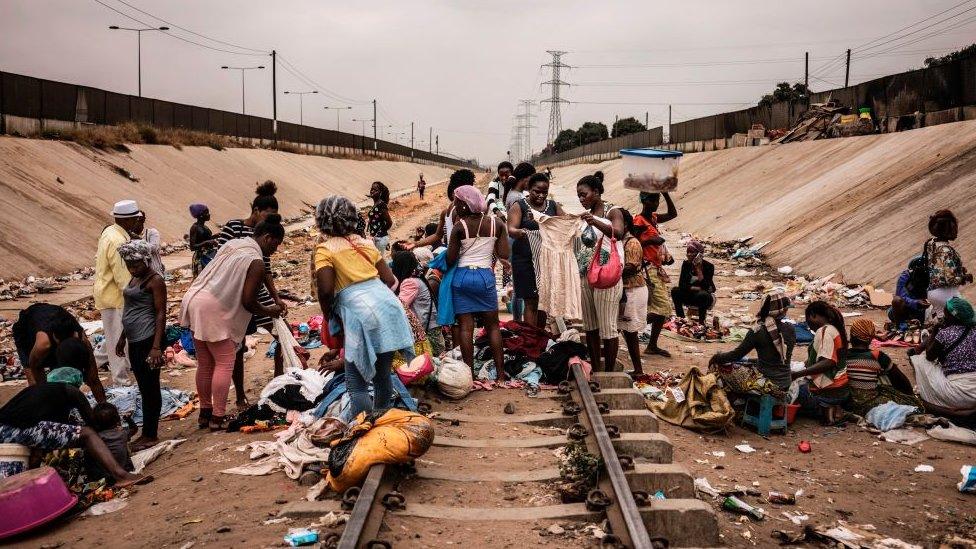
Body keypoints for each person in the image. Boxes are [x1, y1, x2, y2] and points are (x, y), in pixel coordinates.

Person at [313, 196, 413, 425]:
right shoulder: (366, 244)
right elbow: (389, 279)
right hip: (388, 307)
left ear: (322, 221)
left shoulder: (325, 250)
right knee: (382, 375)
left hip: (360, 314)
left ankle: (363, 428)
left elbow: (326, 291)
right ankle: (382, 423)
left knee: (356, 382)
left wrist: (330, 315)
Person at [181, 215, 285, 430]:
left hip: (194, 298)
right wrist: (270, 310)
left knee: (205, 362)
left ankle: (205, 413)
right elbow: (248, 301)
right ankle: (218, 417)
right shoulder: (255, 261)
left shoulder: (234, 243)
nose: (275, 251)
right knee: (224, 361)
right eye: (275, 245)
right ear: (267, 238)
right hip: (213, 306)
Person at [0, 364, 149, 488]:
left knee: (36, 452)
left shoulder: (38, 391)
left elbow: (47, 434)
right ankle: (121, 476)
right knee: (87, 433)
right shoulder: (70, 391)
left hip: (6, 429)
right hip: (20, 428)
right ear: (74, 383)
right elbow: (92, 423)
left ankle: (34, 489)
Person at [217, 181, 287, 404]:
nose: (270, 220)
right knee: (238, 346)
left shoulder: (264, 233)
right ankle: (239, 396)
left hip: (258, 292)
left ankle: (279, 382)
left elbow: (266, 269)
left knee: (282, 334)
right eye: (267, 214)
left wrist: (276, 298)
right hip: (236, 294)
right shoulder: (234, 228)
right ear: (256, 211)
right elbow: (221, 260)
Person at [447, 186, 509, 378]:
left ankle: (470, 376)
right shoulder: (497, 224)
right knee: (493, 326)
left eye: (457, 201)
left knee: (466, 327)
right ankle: (500, 374)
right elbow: (504, 254)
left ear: (465, 205)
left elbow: (450, 259)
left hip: (462, 277)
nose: (455, 205)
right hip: (484, 276)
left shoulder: (459, 226)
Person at [114, 239, 167, 450]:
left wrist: (156, 347)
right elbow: (130, 310)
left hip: (148, 339)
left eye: (136, 264)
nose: (132, 268)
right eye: (128, 265)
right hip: (134, 339)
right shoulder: (134, 279)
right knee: (144, 387)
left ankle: (150, 434)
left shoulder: (155, 280)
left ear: (146, 260)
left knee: (150, 387)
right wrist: (122, 337)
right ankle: (147, 432)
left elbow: (161, 313)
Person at [576, 172, 626, 372]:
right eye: (578, 196)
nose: (581, 199)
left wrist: (595, 221)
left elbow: (619, 233)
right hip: (586, 274)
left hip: (607, 275)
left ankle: (609, 371)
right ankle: (597, 368)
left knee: (607, 327)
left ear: (596, 192)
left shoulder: (612, 211)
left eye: (584, 194)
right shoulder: (584, 217)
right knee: (590, 325)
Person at [12, 303, 106, 402]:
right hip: (26, 330)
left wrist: (103, 405)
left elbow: (93, 378)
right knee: (36, 386)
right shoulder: (43, 344)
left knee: (75, 379)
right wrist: (43, 393)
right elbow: (33, 365)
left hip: (52, 317)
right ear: (55, 339)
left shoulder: (81, 339)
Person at [708, 292, 795, 397]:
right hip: (785, 382)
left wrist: (716, 358)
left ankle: (726, 397)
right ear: (782, 310)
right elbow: (775, 360)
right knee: (745, 364)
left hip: (768, 384)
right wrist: (748, 361)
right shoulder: (790, 328)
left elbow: (735, 355)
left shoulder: (758, 331)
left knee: (721, 366)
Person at [507, 173, 565, 328]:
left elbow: (565, 223)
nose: (540, 195)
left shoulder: (552, 206)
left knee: (543, 301)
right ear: (529, 189)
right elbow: (511, 228)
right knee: (531, 301)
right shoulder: (519, 206)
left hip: (546, 260)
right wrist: (520, 232)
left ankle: (539, 336)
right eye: (536, 191)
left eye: (544, 192)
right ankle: (531, 338)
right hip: (525, 260)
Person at [94, 199, 140, 386]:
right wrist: (136, 297)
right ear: (127, 220)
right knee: (117, 341)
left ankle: (96, 361)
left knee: (115, 337)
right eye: (136, 218)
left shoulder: (112, 233)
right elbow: (123, 277)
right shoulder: (117, 240)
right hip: (115, 298)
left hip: (110, 295)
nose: (138, 222)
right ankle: (121, 381)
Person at [844, 318, 921, 415]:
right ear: (871, 339)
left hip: (849, 404)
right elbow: (900, 379)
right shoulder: (877, 356)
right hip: (870, 404)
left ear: (851, 337)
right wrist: (910, 395)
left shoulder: (844, 355)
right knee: (914, 404)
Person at [914, 296, 976, 415]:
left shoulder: (945, 333)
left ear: (952, 317)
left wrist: (935, 330)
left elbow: (929, 356)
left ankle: (950, 411)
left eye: (945, 313)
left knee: (920, 360)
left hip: (958, 395)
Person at [634, 192, 678, 358]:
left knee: (660, 309)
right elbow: (632, 243)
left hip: (655, 267)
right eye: (653, 200)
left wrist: (666, 194)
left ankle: (651, 345)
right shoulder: (639, 221)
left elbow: (673, 214)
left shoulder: (652, 218)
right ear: (644, 201)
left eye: (657, 200)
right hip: (647, 269)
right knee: (662, 308)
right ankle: (629, 325)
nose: (656, 203)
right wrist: (651, 241)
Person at [791, 301, 850, 423]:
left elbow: (829, 361)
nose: (809, 326)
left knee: (793, 391)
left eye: (808, 321)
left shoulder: (824, 331)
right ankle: (833, 408)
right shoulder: (835, 329)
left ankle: (826, 408)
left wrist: (797, 374)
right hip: (841, 389)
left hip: (830, 390)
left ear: (813, 315)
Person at [392, 251, 444, 356]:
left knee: (426, 364)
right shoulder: (418, 279)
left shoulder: (409, 282)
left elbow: (399, 306)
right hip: (432, 328)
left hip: (426, 332)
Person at [925, 210, 972, 322]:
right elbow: (950, 279)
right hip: (945, 293)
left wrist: (957, 269)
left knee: (943, 321)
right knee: (967, 318)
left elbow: (938, 266)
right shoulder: (946, 251)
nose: (956, 231)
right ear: (948, 230)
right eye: (954, 227)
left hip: (932, 291)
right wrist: (965, 277)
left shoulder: (931, 243)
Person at [618, 209, 649, 376]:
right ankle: (637, 369)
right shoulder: (621, 241)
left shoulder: (632, 243)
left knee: (630, 331)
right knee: (624, 330)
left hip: (632, 290)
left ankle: (638, 370)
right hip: (625, 290)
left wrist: (609, 273)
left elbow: (631, 266)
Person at [86, 402, 137, 481]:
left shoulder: (96, 438)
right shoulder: (122, 433)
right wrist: (128, 419)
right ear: (117, 419)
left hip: (105, 475)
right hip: (124, 469)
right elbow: (134, 429)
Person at [671, 239, 716, 325]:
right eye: (688, 252)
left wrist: (698, 269)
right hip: (690, 294)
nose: (689, 255)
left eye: (692, 252)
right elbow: (681, 285)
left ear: (699, 254)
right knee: (675, 291)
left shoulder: (709, 266)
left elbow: (707, 287)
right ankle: (681, 319)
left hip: (705, 298)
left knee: (702, 294)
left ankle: (701, 323)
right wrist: (696, 288)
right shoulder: (686, 265)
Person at [888, 255, 929, 327]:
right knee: (897, 300)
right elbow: (901, 296)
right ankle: (899, 325)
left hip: (920, 311)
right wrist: (916, 302)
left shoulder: (931, 277)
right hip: (904, 310)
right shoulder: (905, 276)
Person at [188, 203, 218, 277]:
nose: (209, 214)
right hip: (200, 258)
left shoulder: (204, 227)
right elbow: (192, 247)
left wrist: (215, 236)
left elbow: (204, 239)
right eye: (206, 213)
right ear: (201, 215)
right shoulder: (194, 228)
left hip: (208, 256)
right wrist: (207, 242)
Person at [131, 211, 165, 276]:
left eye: (135, 221)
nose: (133, 224)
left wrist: (138, 239)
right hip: (139, 275)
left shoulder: (152, 233)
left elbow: (153, 248)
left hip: (155, 272)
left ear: (142, 221)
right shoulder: (129, 236)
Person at [367, 181, 393, 258]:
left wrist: (380, 232)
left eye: (375, 190)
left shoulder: (381, 205)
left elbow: (389, 222)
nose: (372, 191)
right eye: (371, 189)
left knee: (378, 261)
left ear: (380, 192)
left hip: (380, 239)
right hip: (376, 238)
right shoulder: (376, 204)